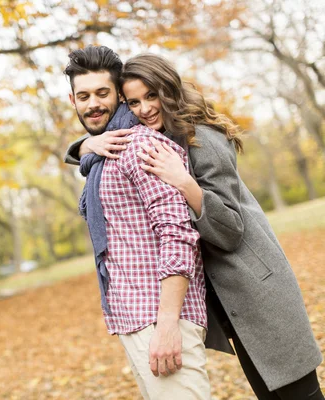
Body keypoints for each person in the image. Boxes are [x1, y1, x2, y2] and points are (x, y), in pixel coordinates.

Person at [65, 52, 324, 400]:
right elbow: (103, 139)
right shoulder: (154, 138)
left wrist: (186, 183)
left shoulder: (202, 139)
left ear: (168, 92)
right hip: (221, 296)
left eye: (151, 96)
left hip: (254, 287)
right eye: (134, 102)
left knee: (297, 394)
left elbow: (230, 229)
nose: (143, 110)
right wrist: (84, 145)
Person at [63, 45, 211, 399]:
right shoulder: (101, 154)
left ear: (119, 93)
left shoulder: (140, 145)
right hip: (133, 318)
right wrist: (85, 147)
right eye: (84, 96)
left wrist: (167, 324)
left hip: (160, 318)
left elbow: (176, 232)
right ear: (72, 100)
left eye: (102, 93)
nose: (93, 104)